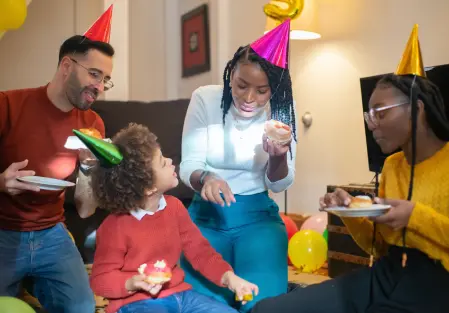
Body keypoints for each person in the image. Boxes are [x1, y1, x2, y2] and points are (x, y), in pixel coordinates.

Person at [251, 25, 449, 313]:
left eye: (380, 112)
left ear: (417, 108)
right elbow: (377, 248)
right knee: (269, 310)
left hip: (437, 283)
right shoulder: (393, 167)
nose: (371, 124)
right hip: (387, 273)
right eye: (368, 114)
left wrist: (414, 216)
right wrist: (351, 213)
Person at [0, 8, 115, 313]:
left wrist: (90, 167)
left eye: (106, 79)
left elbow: (86, 208)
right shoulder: (7, 105)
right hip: (3, 231)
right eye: (94, 74)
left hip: (52, 233)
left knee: (82, 308)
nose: (100, 87)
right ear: (66, 65)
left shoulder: (93, 124)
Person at [179, 20, 297, 312]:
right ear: (231, 74)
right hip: (206, 218)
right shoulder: (205, 98)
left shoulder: (281, 112)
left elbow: (279, 183)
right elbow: (189, 164)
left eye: (261, 90)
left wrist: (278, 156)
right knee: (202, 307)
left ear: (274, 89)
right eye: (242, 85)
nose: (248, 98)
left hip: (258, 220)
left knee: (262, 306)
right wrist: (207, 178)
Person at [85, 123, 259, 313]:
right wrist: (132, 283)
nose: (170, 161)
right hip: (136, 304)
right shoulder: (115, 227)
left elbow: (200, 252)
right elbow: (100, 280)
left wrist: (228, 278)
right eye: (162, 162)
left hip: (181, 296)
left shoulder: (174, 207)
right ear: (148, 188)